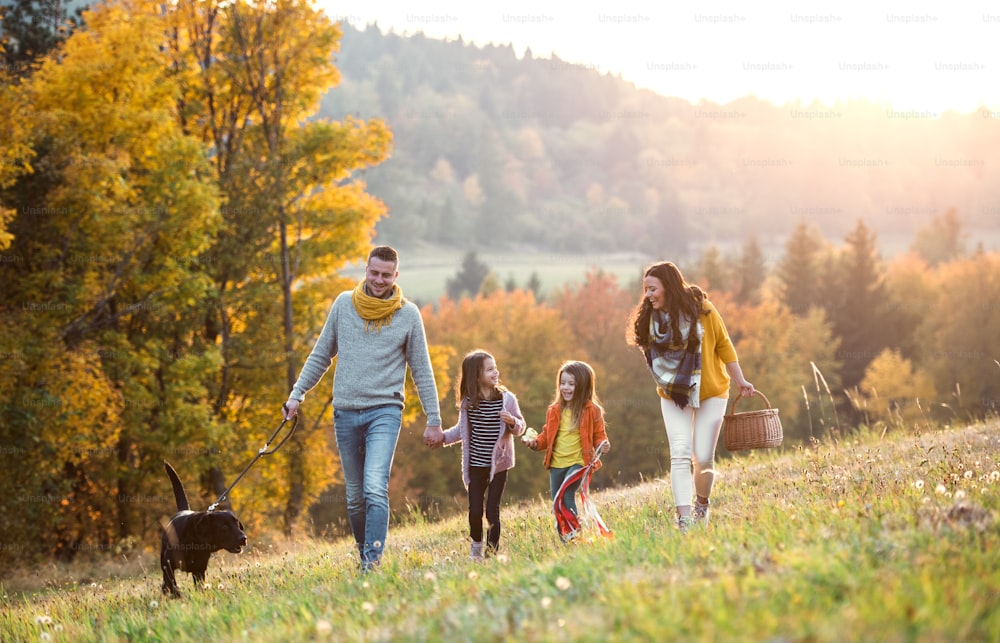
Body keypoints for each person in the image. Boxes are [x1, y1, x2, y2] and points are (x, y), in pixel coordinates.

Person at [282, 245, 444, 571]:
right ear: (366, 270)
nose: (379, 280)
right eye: (374, 272)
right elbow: (321, 354)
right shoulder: (344, 305)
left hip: (385, 410)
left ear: (396, 276)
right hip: (345, 412)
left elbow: (422, 369)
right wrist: (297, 394)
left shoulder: (408, 315)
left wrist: (434, 419)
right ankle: (364, 558)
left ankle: (371, 565)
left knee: (374, 487)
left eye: (386, 274)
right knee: (355, 497)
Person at [626, 261, 754, 533]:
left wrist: (741, 380)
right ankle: (684, 520)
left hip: (712, 391)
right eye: (645, 289)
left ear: (669, 287)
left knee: (704, 456)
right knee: (681, 453)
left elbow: (723, 344)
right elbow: (654, 358)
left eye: (652, 289)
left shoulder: (703, 310)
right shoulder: (651, 320)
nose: (647, 295)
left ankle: (701, 506)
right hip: (674, 394)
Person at [441, 350, 526, 560]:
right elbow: (461, 431)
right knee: (475, 510)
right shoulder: (469, 404)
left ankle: (491, 552)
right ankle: (476, 546)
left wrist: (512, 422)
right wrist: (442, 438)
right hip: (476, 466)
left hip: (499, 466)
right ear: (475, 376)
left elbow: (521, 427)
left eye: (495, 368)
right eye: (490, 369)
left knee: (491, 510)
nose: (495, 372)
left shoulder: (507, 399)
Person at [524, 360, 610, 541]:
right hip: (556, 464)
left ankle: (574, 534)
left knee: (566, 494)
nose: (566, 387)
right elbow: (547, 436)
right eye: (562, 383)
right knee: (556, 502)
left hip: (579, 463)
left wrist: (603, 443)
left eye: (571, 384)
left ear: (583, 386)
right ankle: (565, 538)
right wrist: (535, 443)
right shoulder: (554, 410)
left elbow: (599, 435)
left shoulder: (592, 411)